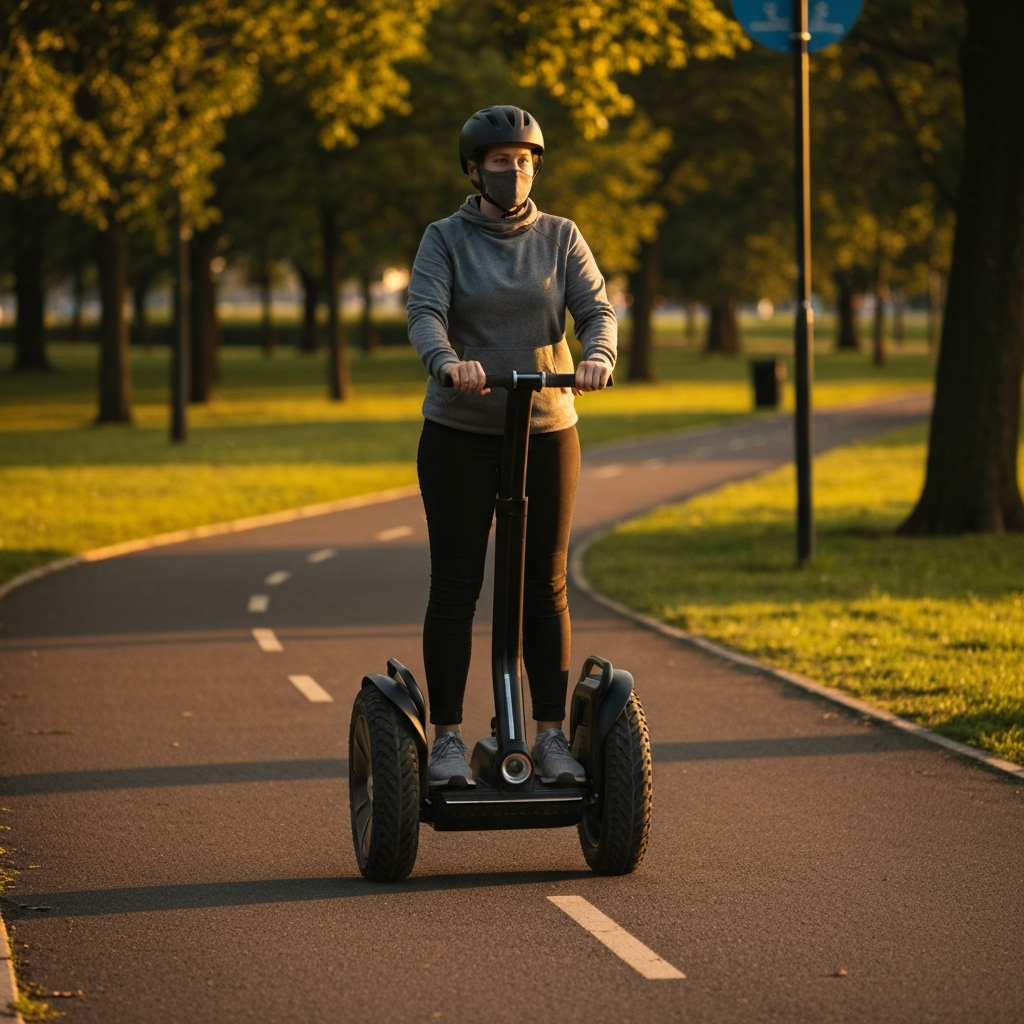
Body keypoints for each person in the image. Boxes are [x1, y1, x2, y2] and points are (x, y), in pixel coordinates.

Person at [407, 105, 616, 788]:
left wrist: (598, 355)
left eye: (526, 159)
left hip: (548, 429)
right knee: (457, 585)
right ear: (475, 169)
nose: (516, 170)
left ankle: (551, 735)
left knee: (545, 585)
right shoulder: (445, 238)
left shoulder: (561, 237)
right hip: (460, 432)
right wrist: (447, 363)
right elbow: (425, 313)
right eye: (502, 160)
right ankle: (445, 741)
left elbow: (595, 310)